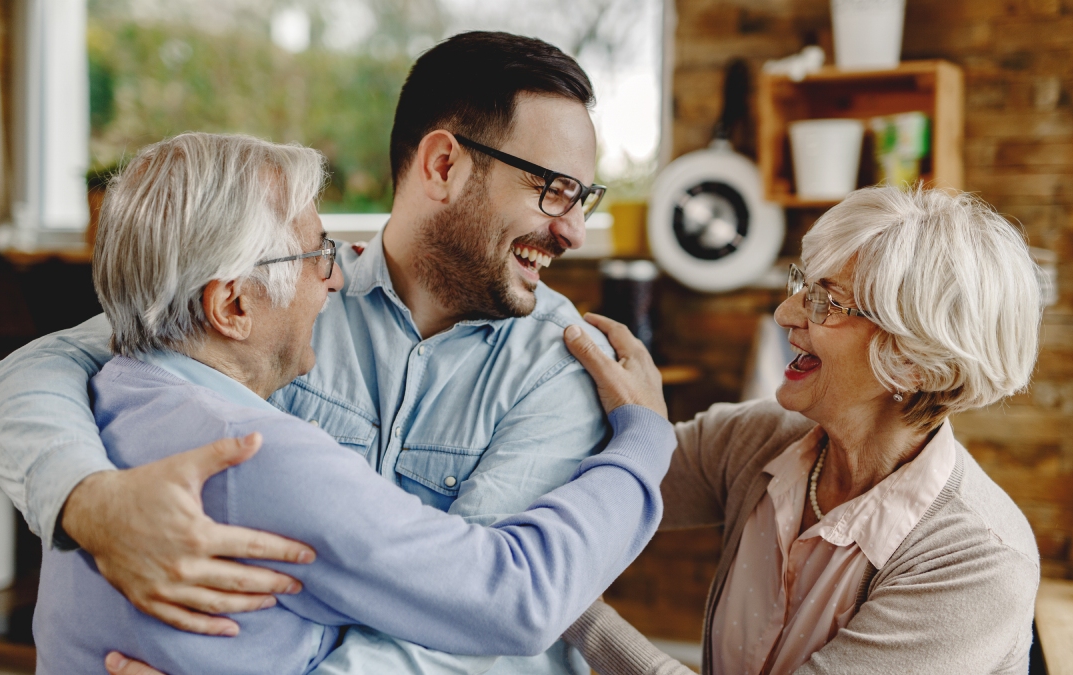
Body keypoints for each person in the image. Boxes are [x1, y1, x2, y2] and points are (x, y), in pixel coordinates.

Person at [0, 32, 611, 675]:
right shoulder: (277, 299)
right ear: (444, 166)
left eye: (584, 198)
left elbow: (485, 614)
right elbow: (30, 374)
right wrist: (89, 502)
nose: (573, 230)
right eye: (553, 189)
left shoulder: (562, 362)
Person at [34, 130, 674, 675]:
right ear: (232, 306)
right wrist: (645, 439)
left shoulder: (106, 397)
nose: (337, 278)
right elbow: (516, 596)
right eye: (317, 255)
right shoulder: (254, 454)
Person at [554, 186, 1044, 674]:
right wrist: (638, 427)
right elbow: (581, 487)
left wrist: (561, 604)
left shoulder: (977, 564)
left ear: (916, 361)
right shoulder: (757, 440)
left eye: (825, 302)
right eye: (801, 285)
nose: (785, 314)